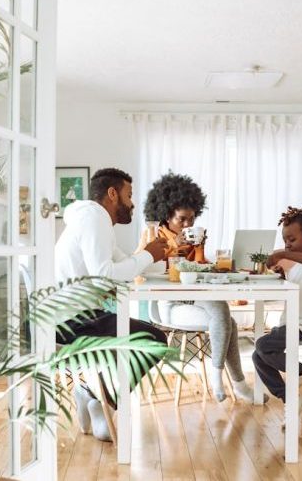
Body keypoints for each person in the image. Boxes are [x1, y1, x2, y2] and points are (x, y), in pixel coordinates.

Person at [55, 167, 169, 441]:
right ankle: (98, 398)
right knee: (154, 340)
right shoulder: (95, 219)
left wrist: (155, 257)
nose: (131, 204)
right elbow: (106, 274)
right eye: (129, 195)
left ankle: (94, 396)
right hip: (67, 323)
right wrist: (148, 255)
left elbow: (122, 264)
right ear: (112, 193)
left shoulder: (93, 220)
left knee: (147, 335)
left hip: (74, 315)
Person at [137, 172, 256, 403]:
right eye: (182, 219)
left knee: (222, 312)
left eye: (192, 218)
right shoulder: (153, 234)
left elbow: (198, 269)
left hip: (196, 296)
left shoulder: (193, 235)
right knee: (227, 321)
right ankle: (232, 382)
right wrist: (172, 245)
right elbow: (141, 268)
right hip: (169, 303)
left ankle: (221, 379)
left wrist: (199, 249)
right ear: (166, 214)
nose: (188, 224)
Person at [252, 206, 302, 404]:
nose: (287, 245)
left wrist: (280, 254)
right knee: (258, 356)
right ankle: (290, 399)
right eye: (285, 240)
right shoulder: (295, 266)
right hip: (291, 324)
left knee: (262, 345)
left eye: (292, 240)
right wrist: (281, 273)